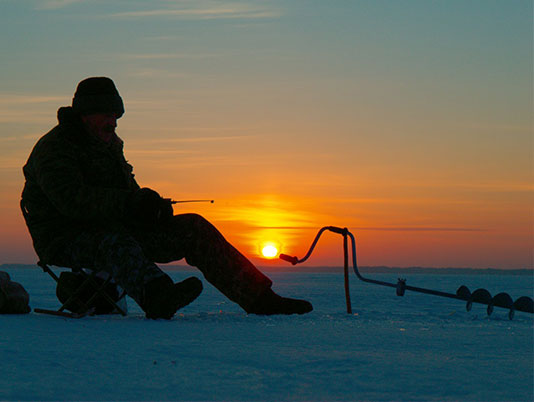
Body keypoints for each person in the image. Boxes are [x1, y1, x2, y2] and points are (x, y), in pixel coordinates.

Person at [21, 77, 313, 319]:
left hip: (117, 229)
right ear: (86, 115)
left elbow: (127, 194)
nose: (113, 123)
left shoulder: (109, 145)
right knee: (111, 240)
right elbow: (71, 201)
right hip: (65, 239)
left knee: (193, 227)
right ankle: (159, 296)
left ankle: (260, 299)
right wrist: (130, 203)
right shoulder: (54, 148)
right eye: (107, 115)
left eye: (116, 116)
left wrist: (150, 207)